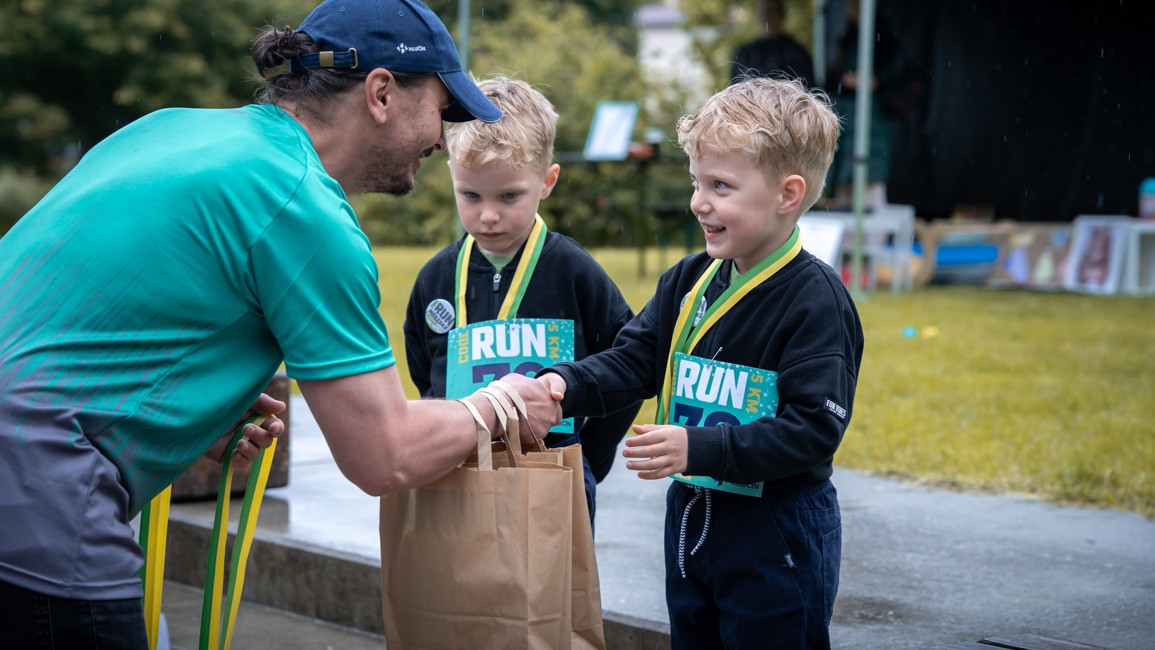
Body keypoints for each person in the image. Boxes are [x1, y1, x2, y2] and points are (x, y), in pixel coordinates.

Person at [0, 0, 561, 647]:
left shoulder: (167, 129)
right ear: (381, 93)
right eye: (441, 108)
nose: (441, 138)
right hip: (38, 516)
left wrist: (183, 413)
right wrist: (496, 405)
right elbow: (385, 454)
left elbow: (79, 315)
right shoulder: (300, 204)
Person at [536, 77, 863, 648]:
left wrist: (699, 449)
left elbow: (815, 429)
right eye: (696, 181)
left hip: (778, 535)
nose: (698, 202)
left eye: (721, 185)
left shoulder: (816, 301)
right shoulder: (689, 279)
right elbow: (634, 360)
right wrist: (561, 383)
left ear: (787, 195)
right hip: (691, 517)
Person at [403, 76, 640, 530]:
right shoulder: (436, 277)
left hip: (551, 482)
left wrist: (589, 457)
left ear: (547, 181)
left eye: (509, 196)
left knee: (550, 600)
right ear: (452, 174)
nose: (488, 214)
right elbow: (424, 366)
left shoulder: (573, 271)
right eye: (470, 195)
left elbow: (628, 365)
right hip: (460, 474)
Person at [824, 0, 902, 209]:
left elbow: (896, 77)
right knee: (844, 181)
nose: (853, 8)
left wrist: (873, 82)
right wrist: (846, 79)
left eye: (857, 4)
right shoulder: (845, 37)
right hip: (847, 115)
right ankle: (846, 239)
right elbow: (829, 79)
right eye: (849, 4)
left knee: (871, 180)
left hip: (873, 117)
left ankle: (874, 239)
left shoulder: (886, 37)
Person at [730, 0, 815, 87]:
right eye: (764, 11)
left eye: (773, 11)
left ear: (782, 15)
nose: (767, 16)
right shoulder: (744, 54)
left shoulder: (796, 53)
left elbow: (807, 89)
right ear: (757, 15)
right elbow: (735, 90)